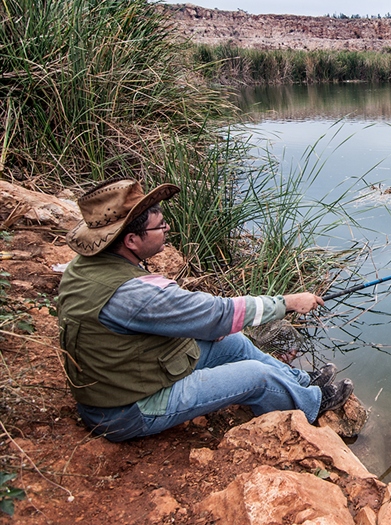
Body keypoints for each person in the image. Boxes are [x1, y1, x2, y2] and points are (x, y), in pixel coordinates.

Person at [57, 178, 353, 442]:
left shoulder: (87, 266)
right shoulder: (132, 293)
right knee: (255, 376)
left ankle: (299, 381)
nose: (167, 228)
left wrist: (215, 329)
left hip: (127, 379)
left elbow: (161, 321)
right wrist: (286, 303)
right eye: (160, 226)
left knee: (234, 342)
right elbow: (217, 315)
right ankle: (312, 403)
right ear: (131, 240)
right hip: (127, 411)